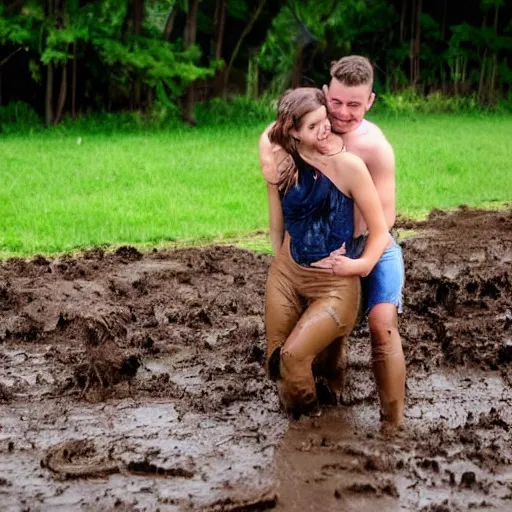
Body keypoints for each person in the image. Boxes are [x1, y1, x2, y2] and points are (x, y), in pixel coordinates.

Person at [260, 56, 406, 428]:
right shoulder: (310, 130)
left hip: (368, 245)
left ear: (370, 101)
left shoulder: (373, 148)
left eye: (354, 105)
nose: (341, 114)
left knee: (381, 323)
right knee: (312, 341)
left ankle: (393, 423)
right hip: (317, 250)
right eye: (335, 103)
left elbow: (384, 223)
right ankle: (327, 390)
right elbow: (277, 129)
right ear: (325, 94)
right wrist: (267, 152)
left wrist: (360, 263)